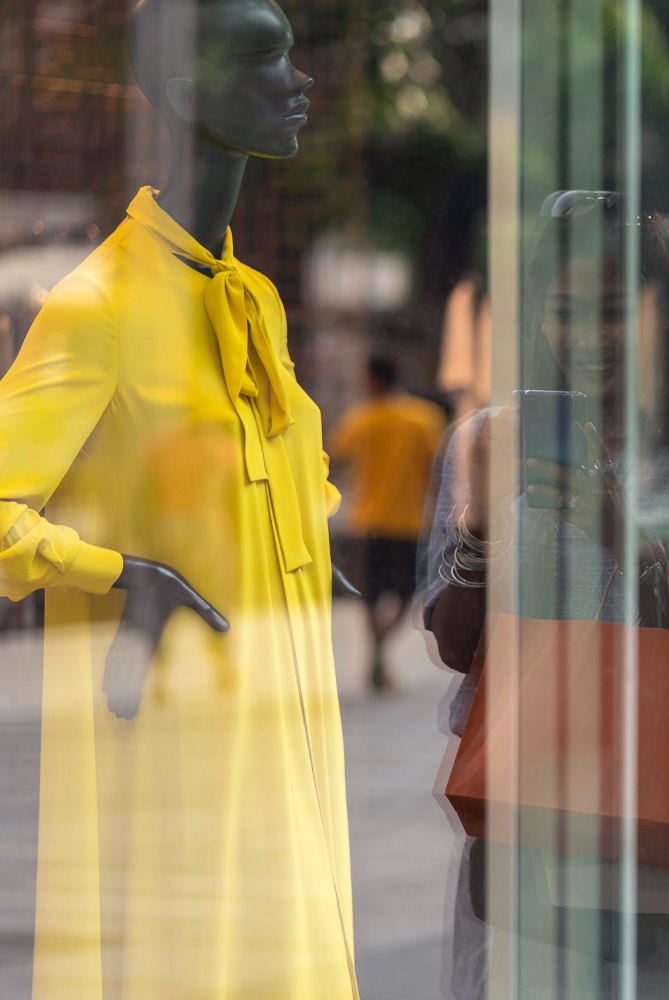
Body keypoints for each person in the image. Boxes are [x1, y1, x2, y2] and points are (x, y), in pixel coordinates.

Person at [0, 1, 359, 995]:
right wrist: (118, 574)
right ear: (190, 93)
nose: (301, 80)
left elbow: (279, 472)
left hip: (286, 705)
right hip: (178, 724)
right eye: (263, 57)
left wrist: (299, 532)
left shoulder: (250, 295)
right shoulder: (97, 304)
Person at [420, 192, 669, 999]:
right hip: (528, 825)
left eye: (616, 311)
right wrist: (482, 531)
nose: (590, 337)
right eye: (565, 311)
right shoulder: (485, 443)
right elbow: (456, 647)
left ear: (663, 313)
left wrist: (613, 523)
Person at [331, 354, 446, 690]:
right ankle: (380, 651)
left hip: (367, 521)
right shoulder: (423, 418)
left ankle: (376, 651)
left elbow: (335, 459)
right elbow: (437, 468)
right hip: (409, 521)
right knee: (407, 592)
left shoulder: (360, 418)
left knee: (369, 594)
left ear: (372, 379)